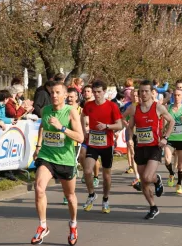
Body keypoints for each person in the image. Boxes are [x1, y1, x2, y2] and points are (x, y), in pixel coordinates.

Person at [31, 82, 84, 245]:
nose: (54, 95)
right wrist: (38, 146)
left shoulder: (71, 112)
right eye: (52, 92)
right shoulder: (46, 110)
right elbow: (42, 126)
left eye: (57, 92)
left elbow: (80, 137)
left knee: (69, 196)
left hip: (65, 159)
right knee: (39, 188)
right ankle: (43, 226)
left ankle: (73, 224)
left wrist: (61, 128)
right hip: (47, 156)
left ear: (65, 95)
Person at [125, 80, 175, 220]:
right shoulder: (135, 109)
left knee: (147, 177)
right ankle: (153, 207)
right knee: (144, 180)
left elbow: (171, 121)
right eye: (141, 91)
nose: (144, 93)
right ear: (138, 93)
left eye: (147, 91)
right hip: (140, 147)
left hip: (155, 147)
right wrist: (130, 138)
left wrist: (165, 137)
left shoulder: (158, 107)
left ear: (152, 93)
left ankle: (156, 179)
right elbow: (130, 126)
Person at [81, 80, 123, 213]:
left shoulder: (112, 106)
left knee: (106, 176)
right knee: (87, 171)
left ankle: (105, 199)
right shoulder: (89, 105)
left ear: (104, 92)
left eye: (99, 92)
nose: (96, 94)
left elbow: (119, 125)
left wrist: (106, 126)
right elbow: (83, 115)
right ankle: (92, 194)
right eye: (94, 92)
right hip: (93, 143)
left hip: (107, 145)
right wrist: (83, 132)